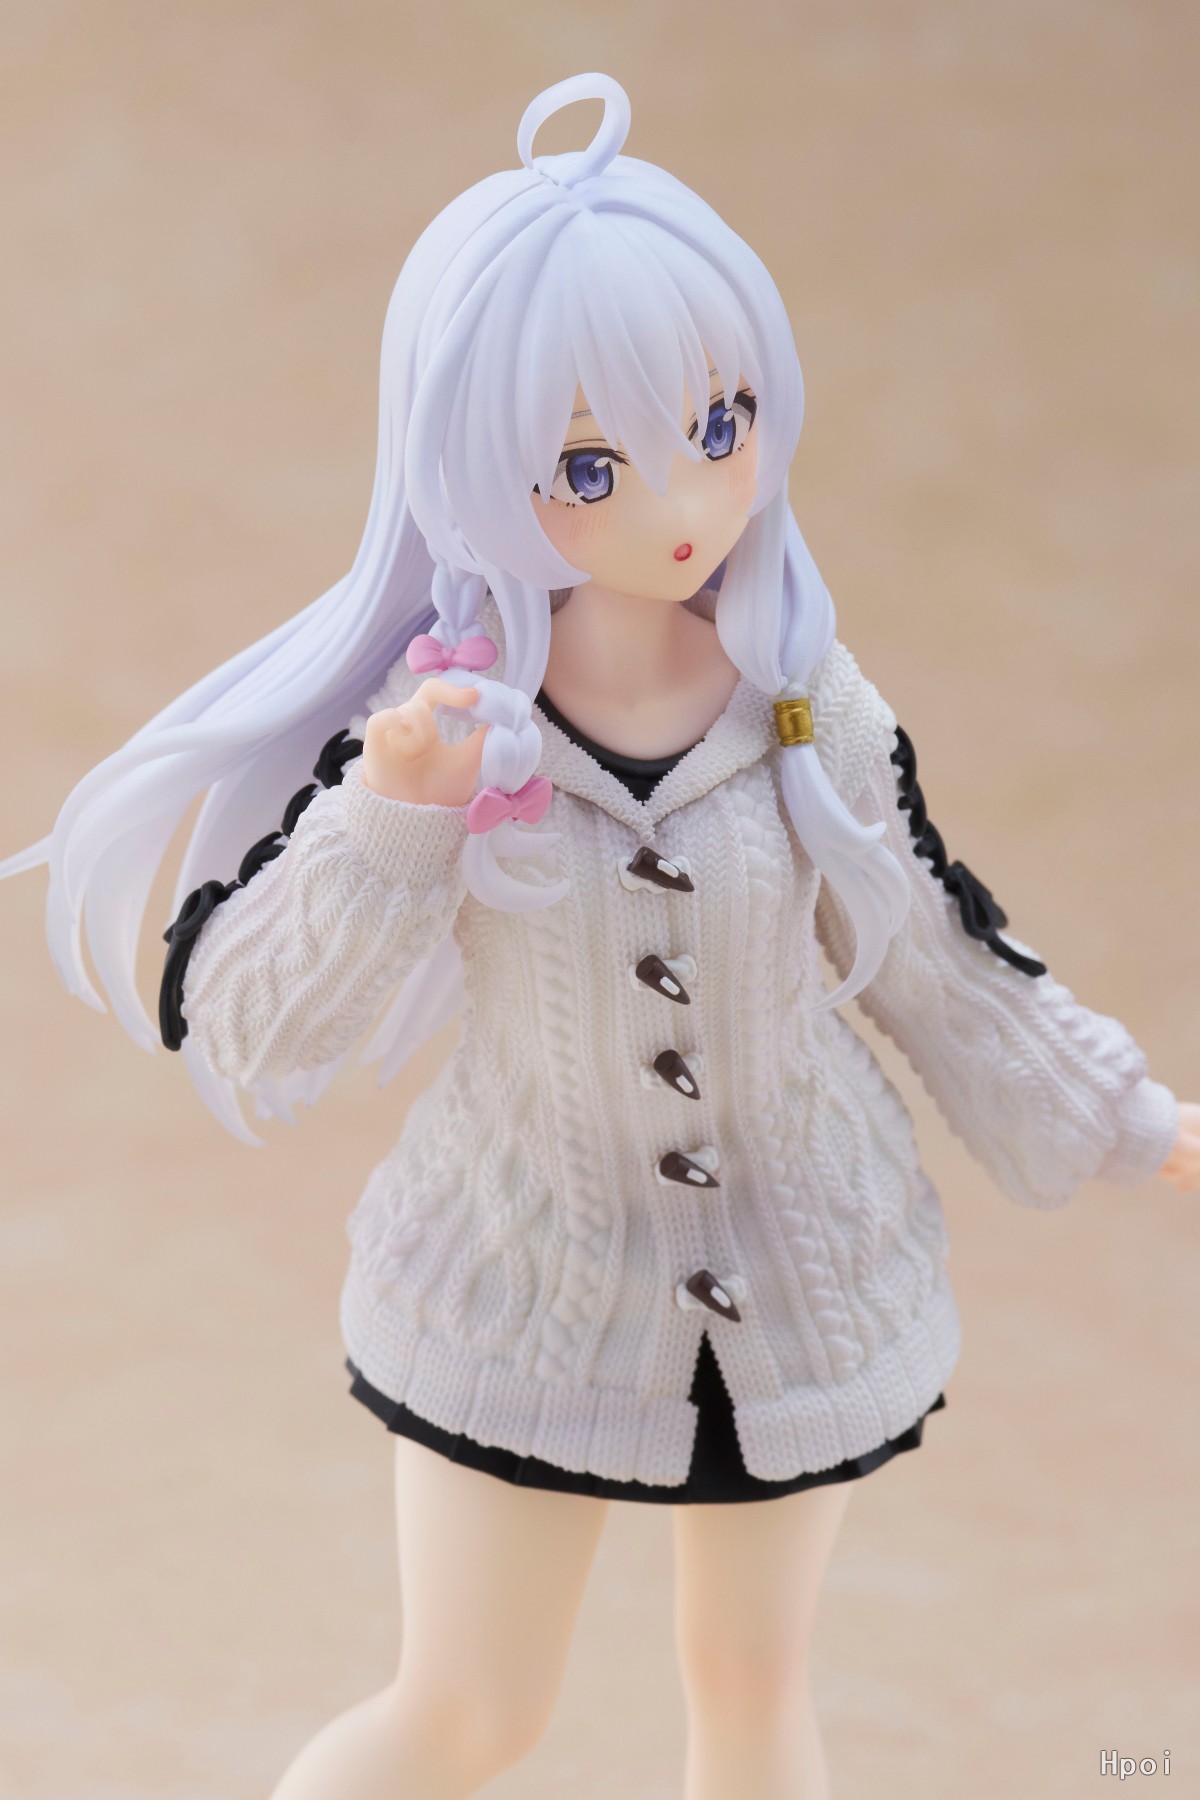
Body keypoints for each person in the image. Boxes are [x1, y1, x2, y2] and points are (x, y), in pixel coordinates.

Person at [4, 71, 1196, 1800]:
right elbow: (257, 1023)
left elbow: (933, 944)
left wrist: (1120, 1113)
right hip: (521, 1284)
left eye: (720, 421)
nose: (682, 497)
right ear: (479, 472)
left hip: (804, 1279)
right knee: (466, 1712)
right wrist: (398, 813)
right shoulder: (442, 728)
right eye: (589, 465)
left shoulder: (804, 703)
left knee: (753, 1694)